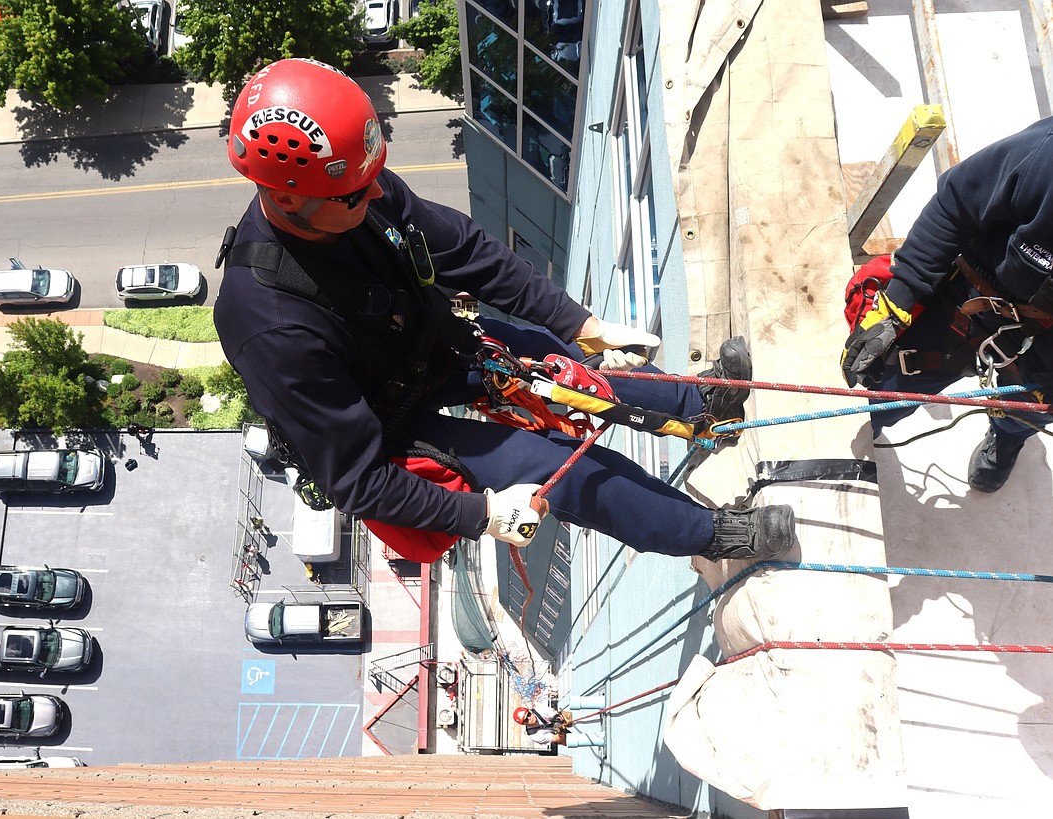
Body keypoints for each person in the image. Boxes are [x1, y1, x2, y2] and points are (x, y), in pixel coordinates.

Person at [213, 58, 796, 563]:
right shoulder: (267, 325)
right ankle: (713, 533)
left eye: (373, 180)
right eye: (354, 195)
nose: (376, 196)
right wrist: (482, 514)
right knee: (554, 470)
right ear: (287, 196)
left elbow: (463, 251)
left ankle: (704, 406)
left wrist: (577, 322)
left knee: (568, 365)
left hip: (427, 347)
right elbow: (361, 481)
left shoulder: (349, 184)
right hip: (386, 426)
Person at [841, 117, 1053, 492]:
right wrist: (900, 297)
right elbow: (957, 203)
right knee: (886, 385)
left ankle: (1007, 436)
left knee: (1025, 409)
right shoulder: (1046, 157)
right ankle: (858, 423)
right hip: (969, 298)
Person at [512, 705, 604, 748]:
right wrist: (561, 731)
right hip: (557, 734)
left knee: (566, 716)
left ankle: (593, 713)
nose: (529, 718)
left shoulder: (539, 709)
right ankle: (598, 739)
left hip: (558, 721)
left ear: (530, 711)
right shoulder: (534, 735)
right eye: (526, 720)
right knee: (568, 740)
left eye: (528, 714)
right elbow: (557, 739)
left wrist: (558, 720)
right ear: (524, 724)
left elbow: (553, 713)